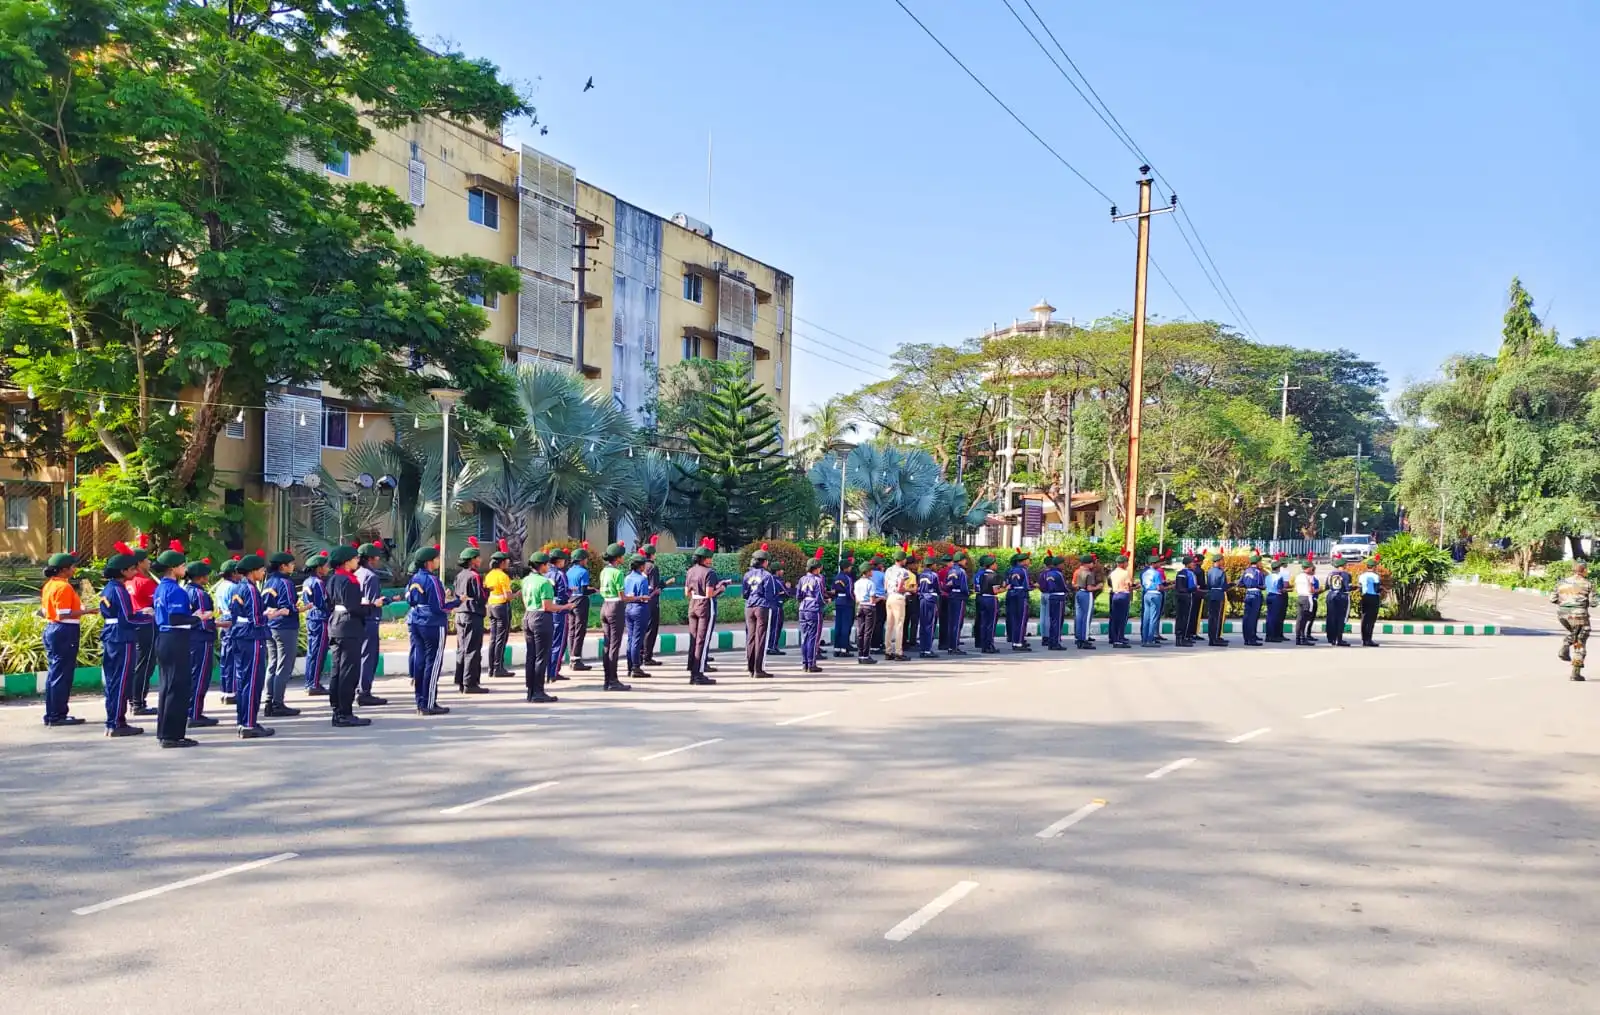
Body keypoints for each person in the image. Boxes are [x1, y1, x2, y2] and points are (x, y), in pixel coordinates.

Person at [150, 542, 198, 748]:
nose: (185, 569)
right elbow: (177, 618)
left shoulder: (160, 588)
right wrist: (197, 617)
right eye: (182, 565)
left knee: (167, 686)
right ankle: (172, 735)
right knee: (177, 687)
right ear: (173, 568)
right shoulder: (176, 591)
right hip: (175, 638)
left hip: (164, 638)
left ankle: (166, 732)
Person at [98, 551, 148, 737]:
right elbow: (127, 618)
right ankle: (116, 722)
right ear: (123, 571)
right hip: (122, 637)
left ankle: (114, 720)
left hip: (112, 636)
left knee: (114, 681)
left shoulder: (110, 588)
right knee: (121, 681)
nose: (135, 571)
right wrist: (148, 617)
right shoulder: (119, 590)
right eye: (132, 568)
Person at [406, 545, 460, 715]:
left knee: (420, 662)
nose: (438, 561)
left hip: (416, 621)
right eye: (436, 559)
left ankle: (420, 701)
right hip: (433, 623)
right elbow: (440, 607)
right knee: (433, 663)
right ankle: (429, 703)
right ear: (429, 562)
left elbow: (409, 599)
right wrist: (458, 601)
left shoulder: (414, 578)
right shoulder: (433, 580)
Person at [326, 544, 373, 727]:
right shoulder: (350, 581)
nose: (357, 561)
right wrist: (371, 606)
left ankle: (337, 709)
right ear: (346, 562)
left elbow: (328, 603)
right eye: (354, 559)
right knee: (349, 672)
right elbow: (355, 607)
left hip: (336, 624)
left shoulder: (332, 579)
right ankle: (345, 712)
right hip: (349, 626)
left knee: (337, 671)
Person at [229, 554, 275, 738]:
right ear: (253, 571)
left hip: (239, 635)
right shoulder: (251, 589)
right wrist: (273, 614)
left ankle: (243, 720)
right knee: (253, 681)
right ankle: (249, 724)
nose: (263, 572)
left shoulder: (238, 587)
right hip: (252, 637)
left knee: (243, 681)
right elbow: (256, 619)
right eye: (262, 569)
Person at [522, 551, 578, 702]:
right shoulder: (544, 583)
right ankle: (539, 691)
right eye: (546, 564)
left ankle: (531, 690)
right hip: (541, 618)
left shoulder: (526, 580)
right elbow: (548, 606)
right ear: (541, 566)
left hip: (528, 616)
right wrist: (565, 606)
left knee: (531, 656)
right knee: (542, 656)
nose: (548, 567)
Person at [40, 552, 86, 728]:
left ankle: (53, 713)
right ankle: (58, 714)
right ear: (64, 570)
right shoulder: (63, 587)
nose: (74, 569)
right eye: (72, 567)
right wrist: (87, 611)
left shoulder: (50, 585)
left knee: (55, 672)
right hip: (65, 629)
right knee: (62, 674)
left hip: (53, 628)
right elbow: (63, 613)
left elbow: (46, 611)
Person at [260, 550, 303, 719]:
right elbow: (286, 607)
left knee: (273, 665)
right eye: (291, 564)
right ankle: (278, 703)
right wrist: (300, 608)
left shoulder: (269, 581)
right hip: (285, 627)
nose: (293, 566)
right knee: (284, 666)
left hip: (271, 625)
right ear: (283, 566)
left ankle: (269, 702)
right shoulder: (285, 583)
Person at [184, 559, 221, 729]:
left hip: (190, 638)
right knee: (200, 676)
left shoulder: (186, 590)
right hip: (201, 638)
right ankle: (194, 713)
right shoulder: (199, 594)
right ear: (200, 577)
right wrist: (214, 624)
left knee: (192, 675)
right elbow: (204, 619)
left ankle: (191, 711)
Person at [125, 534, 159, 717]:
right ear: (139, 563)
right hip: (146, 625)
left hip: (133, 625)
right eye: (146, 559)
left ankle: (133, 700)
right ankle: (138, 702)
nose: (149, 562)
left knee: (137, 663)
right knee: (145, 664)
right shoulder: (145, 582)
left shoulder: (128, 581)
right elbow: (158, 603)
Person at [685, 539, 725, 685]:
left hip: (693, 604)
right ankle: (698, 674)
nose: (710, 560)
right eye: (709, 558)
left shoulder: (690, 571)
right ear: (704, 559)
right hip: (705, 606)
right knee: (702, 641)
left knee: (694, 639)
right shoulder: (710, 573)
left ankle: (692, 672)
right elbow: (709, 594)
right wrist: (720, 589)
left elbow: (686, 593)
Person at [354, 542, 389, 707]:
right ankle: (364, 692)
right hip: (370, 620)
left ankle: (359, 688)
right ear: (370, 559)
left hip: (358, 620)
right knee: (369, 657)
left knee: (360, 656)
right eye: (376, 556)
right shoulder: (371, 576)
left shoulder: (357, 574)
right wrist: (385, 601)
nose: (378, 559)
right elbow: (373, 602)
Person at [453, 537, 488, 694]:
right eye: (478, 558)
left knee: (462, 648)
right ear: (472, 560)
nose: (480, 560)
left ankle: (460, 679)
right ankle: (470, 683)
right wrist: (488, 590)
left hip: (460, 613)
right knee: (473, 649)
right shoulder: (474, 576)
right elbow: (481, 597)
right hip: (472, 614)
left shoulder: (460, 575)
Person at [595, 543, 633, 691]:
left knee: (607, 644)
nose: (623, 558)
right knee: (614, 646)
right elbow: (622, 596)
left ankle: (607, 679)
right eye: (622, 556)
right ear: (617, 558)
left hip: (605, 606)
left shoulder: (604, 571)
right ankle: (613, 680)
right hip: (615, 608)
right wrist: (636, 598)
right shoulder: (618, 573)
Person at [743, 545, 780, 677]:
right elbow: (770, 594)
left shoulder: (747, 574)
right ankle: (758, 669)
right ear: (764, 562)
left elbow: (745, 593)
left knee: (751, 637)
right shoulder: (767, 575)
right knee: (761, 637)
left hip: (749, 607)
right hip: (762, 607)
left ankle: (750, 668)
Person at [1552, 561, 1592, 681]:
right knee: (1581, 639)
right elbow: (1594, 603)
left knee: (1578, 638)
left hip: (1562, 615)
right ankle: (1575, 672)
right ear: (1584, 571)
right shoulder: (1588, 583)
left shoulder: (1562, 582)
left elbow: (1552, 598)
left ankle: (1568, 644)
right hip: (1579, 615)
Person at [300, 552, 331, 695]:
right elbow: (323, 603)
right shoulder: (318, 583)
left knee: (312, 652)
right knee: (318, 652)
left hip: (311, 618)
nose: (328, 568)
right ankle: (314, 684)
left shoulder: (307, 581)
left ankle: (310, 681)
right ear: (319, 568)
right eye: (325, 566)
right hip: (319, 619)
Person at [212, 556, 241, 705]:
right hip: (232, 622)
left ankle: (225, 691)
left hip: (224, 620)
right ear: (234, 573)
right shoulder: (234, 587)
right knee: (234, 659)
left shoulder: (220, 587)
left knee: (226, 658)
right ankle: (232, 692)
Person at [485, 540, 515, 679]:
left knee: (493, 637)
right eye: (507, 560)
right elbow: (508, 596)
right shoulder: (503, 576)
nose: (508, 562)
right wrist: (517, 594)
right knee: (501, 638)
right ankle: (498, 667)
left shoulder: (489, 575)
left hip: (491, 606)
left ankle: (491, 667)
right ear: (502, 562)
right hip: (502, 607)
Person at [641, 536, 672, 666]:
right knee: (651, 629)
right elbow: (654, 587)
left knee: (642, 628)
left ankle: (640, 654)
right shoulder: (653, 567)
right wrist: (666, 584)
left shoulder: (640, 566)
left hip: (640, 600)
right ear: (653, 555)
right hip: (652, 601)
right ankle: (647, 657)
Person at [797, 548, 828, 672]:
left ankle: (804, 663)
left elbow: (798, 595)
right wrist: (826, 602)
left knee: (804, 636)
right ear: (816, 568)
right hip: (813, 609)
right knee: (813, 637)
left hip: (803, 608)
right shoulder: (817, 580)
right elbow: (820, 596)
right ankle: (811, 664)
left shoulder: (802, 579)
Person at [624, 553, 654, 680]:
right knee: (637, 639)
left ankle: (630, 666)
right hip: (639, 609)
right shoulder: (642, 579)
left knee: (630, 638)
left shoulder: (627, 578)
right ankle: (636, 667)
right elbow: (645, 598)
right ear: (641, 566)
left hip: (628, 608)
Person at [547, 546, 574, 683]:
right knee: (559, 642)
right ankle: (553, 671)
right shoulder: (560, 574)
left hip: (548, 609)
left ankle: (548, 670)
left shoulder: (546, 574)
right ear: (559, 561)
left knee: (550, 641)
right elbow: (563, 594)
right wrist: (570, 593)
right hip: (560, 609)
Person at [566, 542, 594, 670]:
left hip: (570, 600)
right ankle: (576, 659)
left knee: (571, 630)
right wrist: (594, 590)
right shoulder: (583, 572)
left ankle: (572, 658)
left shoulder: (568, 571)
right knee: (580, 630)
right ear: (582, 560)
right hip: (581, 601)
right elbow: (584, 591)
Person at [883, 552, 911, 661]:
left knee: (889, 626)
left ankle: (888, 651)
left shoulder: (888, 570)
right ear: (902, 560)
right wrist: (909, 590)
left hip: (889, 597)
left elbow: (885, 586)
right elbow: (900, 588)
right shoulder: (903, 572)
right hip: (898, 598)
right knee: (899, 626)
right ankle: (899, 652)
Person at [1038, 555, 1069, 650]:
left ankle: (1051, 641)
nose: (1064, 565)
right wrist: (1068, 590)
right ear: (1058, 564)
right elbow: (1064, 586)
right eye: (1063, 563)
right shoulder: (1058, 574)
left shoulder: (1048, 573)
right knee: (1058, 621)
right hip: (1059, 596)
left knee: (1052, 620)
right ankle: (1056, 642)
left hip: (1051, 596)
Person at [1072, 555, 1102, 650]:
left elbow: (1074, 584)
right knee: (1086, 617)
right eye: (1092, 562)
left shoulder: (1078, 572)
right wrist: (1098, 587)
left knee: (1079, 617)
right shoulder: (1088, 573)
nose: (1093, 564)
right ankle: (1084, 639)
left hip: (1079, 593)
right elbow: (1089, 588)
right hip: (1086, 594)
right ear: (1088, 563)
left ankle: (1079, 638)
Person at [943, 552, 970, 655]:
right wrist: (967, 595)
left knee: (952, 622)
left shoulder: (950, 571)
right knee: (958, 622)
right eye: (964, 560)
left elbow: (946, 586)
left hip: (951, 596)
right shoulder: (961, 571)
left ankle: (951, 646)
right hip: (959, 598)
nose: (966, 561)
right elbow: (964, 587)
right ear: (961, 561)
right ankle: (954, 647)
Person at [854, 561, 880, 665]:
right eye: (871, 570)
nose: (872, 572)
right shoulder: (871, 583)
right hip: (869, 608)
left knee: (860, 631)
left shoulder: (857, 583)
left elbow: (856, 599)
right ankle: (866, 655)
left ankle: (860, 655)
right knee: (868, 632)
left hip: (860, 606)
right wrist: (881, 598)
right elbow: (872, 600)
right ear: (867, 572)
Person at [1139, 554, 1168, 647]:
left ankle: (1144, 639)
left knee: (1146, 618)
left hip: (1146, 594)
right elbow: (1159, 587)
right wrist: (1170, 587)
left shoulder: (1144, 573)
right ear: (1154, 563)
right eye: (1158, 563)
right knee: (1154, 618)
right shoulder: (1156, 573)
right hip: (1155, 594)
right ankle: (1150, 640)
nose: (1159, 564)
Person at [1323, 558, 1354, 646]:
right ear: (1343, 565)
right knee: (1341, 618)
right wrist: (1357, 587)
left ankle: (1331, 638)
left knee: (1331, 617)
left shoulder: (1330, 574)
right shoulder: (1346, 574)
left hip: (1331, 595)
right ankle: (1338, 639)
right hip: (1342, 596)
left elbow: (1326, 586)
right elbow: (1348, 588)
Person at [917, 552, 942, 658]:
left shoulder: (921, 575)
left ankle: (923, 649)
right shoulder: (933, 575)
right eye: (935, 564)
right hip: (931, 600)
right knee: (930, 625)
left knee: (923, 624)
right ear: (932, 565)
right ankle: (928, 649)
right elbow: (938, 589)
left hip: (922, 599)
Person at [1238, 552, 1265, 646]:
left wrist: (1247, 585)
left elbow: (1240, 583)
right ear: (1257, 563)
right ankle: (1251, 639)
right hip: (1256, 594)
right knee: (1253, 618)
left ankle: (1246, 638)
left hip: (1248, 593)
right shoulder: (1258, 572)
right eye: (1260, 562)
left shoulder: (1246, 571)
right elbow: (1262, 585)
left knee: (1246, 617)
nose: (1261, 564)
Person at [1106, 554, 1133, 649]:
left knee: (1115, 618)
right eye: (1126, 562)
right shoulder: (1125, 573)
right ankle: (1119, 639)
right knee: (1122, 619)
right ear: (1123, 563)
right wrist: (1135, 586)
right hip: (1123, 594)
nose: (1127, 564)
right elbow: (1129, 585)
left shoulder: (1112, 573)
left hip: (1115, 595)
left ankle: (1114, 638)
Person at [831, 556, 856, 657]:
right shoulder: (847, 578)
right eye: (849, 567)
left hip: (838, 602)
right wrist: (854, 600)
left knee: (838, 626)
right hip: (847, 602)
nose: (850, 568)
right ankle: (844, 649)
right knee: (845, 626)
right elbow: (850, 592)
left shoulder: (836, 578)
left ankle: (836, 648)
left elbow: (833, 591)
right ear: (846, 568)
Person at [1204, 554, 1230, 647]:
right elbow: (1224, 586)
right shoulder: (1221, 572)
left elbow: (1209, 584)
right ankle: (1215, 638)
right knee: (1217, 617)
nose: (1223, 562)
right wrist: (1230, 585)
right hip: (1218, 595)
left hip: (1211, 594)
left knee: (1212, 617)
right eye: (1222, 560)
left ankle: (1212, 637)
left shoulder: (1209, 571)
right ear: (1218, 561)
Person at [1171, 554, 1197, 647]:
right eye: (1193, 563)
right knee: (1186, 617)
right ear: (1188, 564)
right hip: (1186, 596)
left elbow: (1177, 585)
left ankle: (1178, 638)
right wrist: (1196, 588)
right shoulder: (1190, 573)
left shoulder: (1179, 573)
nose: (1194, 564)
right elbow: (1192, 587)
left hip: (1178, 596)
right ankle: (1183, 638)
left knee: (1179, 617)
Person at [1293, 560, 1320, 646]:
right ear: (1308, 568)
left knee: (1299, 619)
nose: (1312, 569)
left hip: (1300, 597)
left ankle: (1298, 639)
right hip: (1308, 598)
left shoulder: (1298, 576)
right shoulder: (1309, 577)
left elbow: (1296, 589)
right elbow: (1310, 590)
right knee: (1306, 620)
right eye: (1311, 567)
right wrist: (1319, 590)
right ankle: (1303, 638)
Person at [1263, 556, 1289, 643]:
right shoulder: (1279, 577)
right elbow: (1280, 589)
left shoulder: (1268, 577)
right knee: (1276, 617)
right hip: (1277, 597)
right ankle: (1274, 636)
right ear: (1278, 568)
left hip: (1269, 595)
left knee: (1269, 617)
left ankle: (1268, 635)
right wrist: (1289, 589)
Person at [1358, 557, 1383, 647]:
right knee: (1371, 619)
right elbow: (1376, 589)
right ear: (1374, 567)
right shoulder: (1376, 576)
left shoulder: (1362, 576)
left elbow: (1360, 588)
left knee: (1364, 618)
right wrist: (1382, 589)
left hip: (1364, 597)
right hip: (1373, 598)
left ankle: (1364, 639)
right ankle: (1369, 639)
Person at [768, 567, 790, 655]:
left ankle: (770, 646)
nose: (783, 571)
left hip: (768, 606)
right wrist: (788, 588)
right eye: (781, 569)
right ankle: (773, 647)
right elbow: (787, 593)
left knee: (771, 627)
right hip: (776, 606)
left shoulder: (768, 579)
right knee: (776, 627)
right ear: (777, 571)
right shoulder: (778, 581)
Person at [1187, 554, 1206, 644]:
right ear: (1201, 561)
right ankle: (1193, 633)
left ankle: (1189, 633)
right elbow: (1202, 584)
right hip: (1198, 594)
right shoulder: (1200, 571)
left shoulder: (1190, 570)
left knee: (1190, 614)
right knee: (1195, 615)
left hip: (1190, 594)